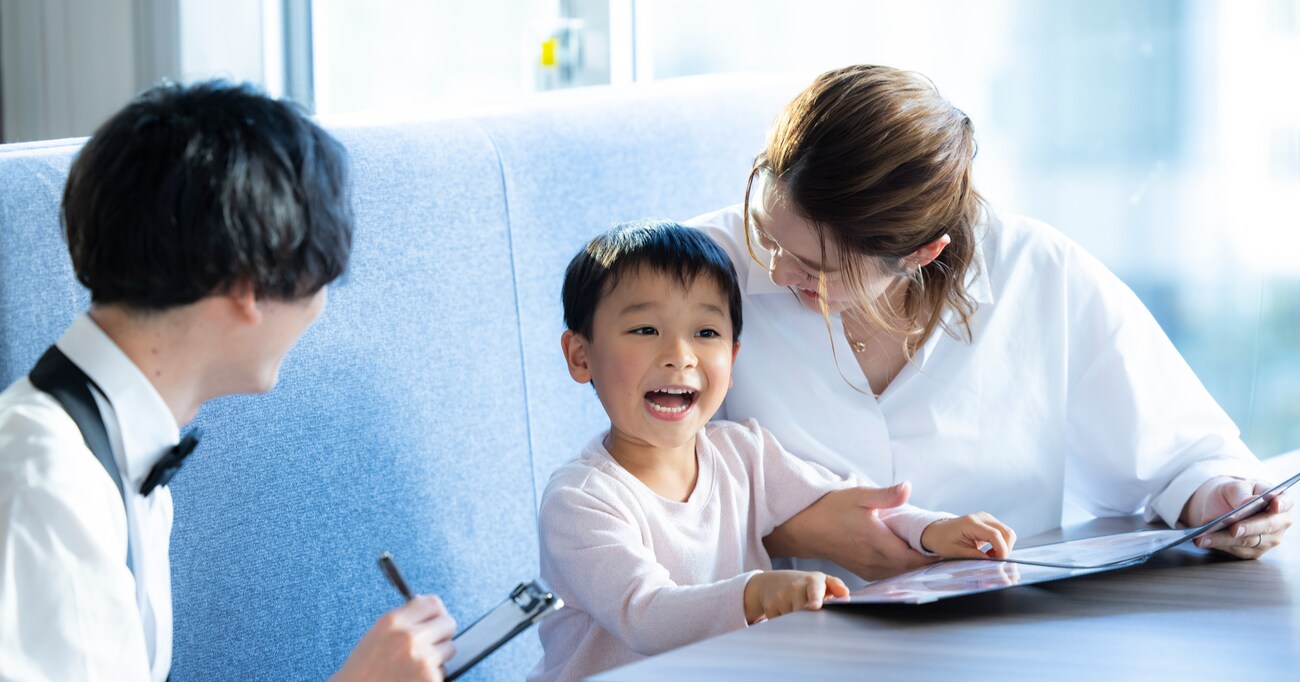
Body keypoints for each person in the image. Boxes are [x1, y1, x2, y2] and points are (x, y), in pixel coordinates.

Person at [686, 64, 1292, 585]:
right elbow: (634, 490)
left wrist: (1228, 503)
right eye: (764, 230)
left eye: (816, 268)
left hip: (1009, 629)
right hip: (775, 642)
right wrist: (805, 529)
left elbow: (1185, 456)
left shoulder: (1038, 272)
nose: (772, 266)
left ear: (921, 253)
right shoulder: (689, 273)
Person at [0, 81, 455, 682]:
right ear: (250, 285)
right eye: (321, 279)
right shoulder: (52, 485)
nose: (318, 308)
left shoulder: (106, 446)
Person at [530, 220, 1016, 681]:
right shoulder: (581, 500)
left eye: (706, 333)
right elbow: (647, 614)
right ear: (580, 355)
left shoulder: (742, 452)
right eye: (645, 330)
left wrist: (931, 529)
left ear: (733, 357)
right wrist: (756, 593)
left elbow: (842, 499)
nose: (681, 355)